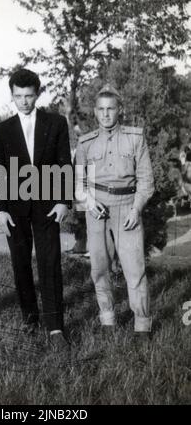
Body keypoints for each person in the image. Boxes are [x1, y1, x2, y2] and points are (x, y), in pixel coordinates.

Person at [0, 68, 72, 352]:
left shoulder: (56, 123)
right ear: (12, 96)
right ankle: (30, 317)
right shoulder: (2, 130)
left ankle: (55, 327)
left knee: (50, 263)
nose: (24, 101)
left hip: (48, 207)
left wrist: (64, 201)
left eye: (29, 95)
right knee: (21, 263)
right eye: (18, 96)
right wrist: (0, 210)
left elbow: (65, 165)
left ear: (38, 93)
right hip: (14, 208)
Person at [75, 84, 155, 339]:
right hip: (97, 210)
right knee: (99, 267)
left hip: (127, 209)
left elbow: (146, 180)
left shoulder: (135, 138)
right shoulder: (85, 142)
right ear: (95, 112)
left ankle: (142, 323)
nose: (106, 114)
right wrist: (88, 201)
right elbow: (78, 182)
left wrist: (136, 208)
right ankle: (107, 319)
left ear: (120, 110)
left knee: (135, 269)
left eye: (111, 109)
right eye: (101, 109)